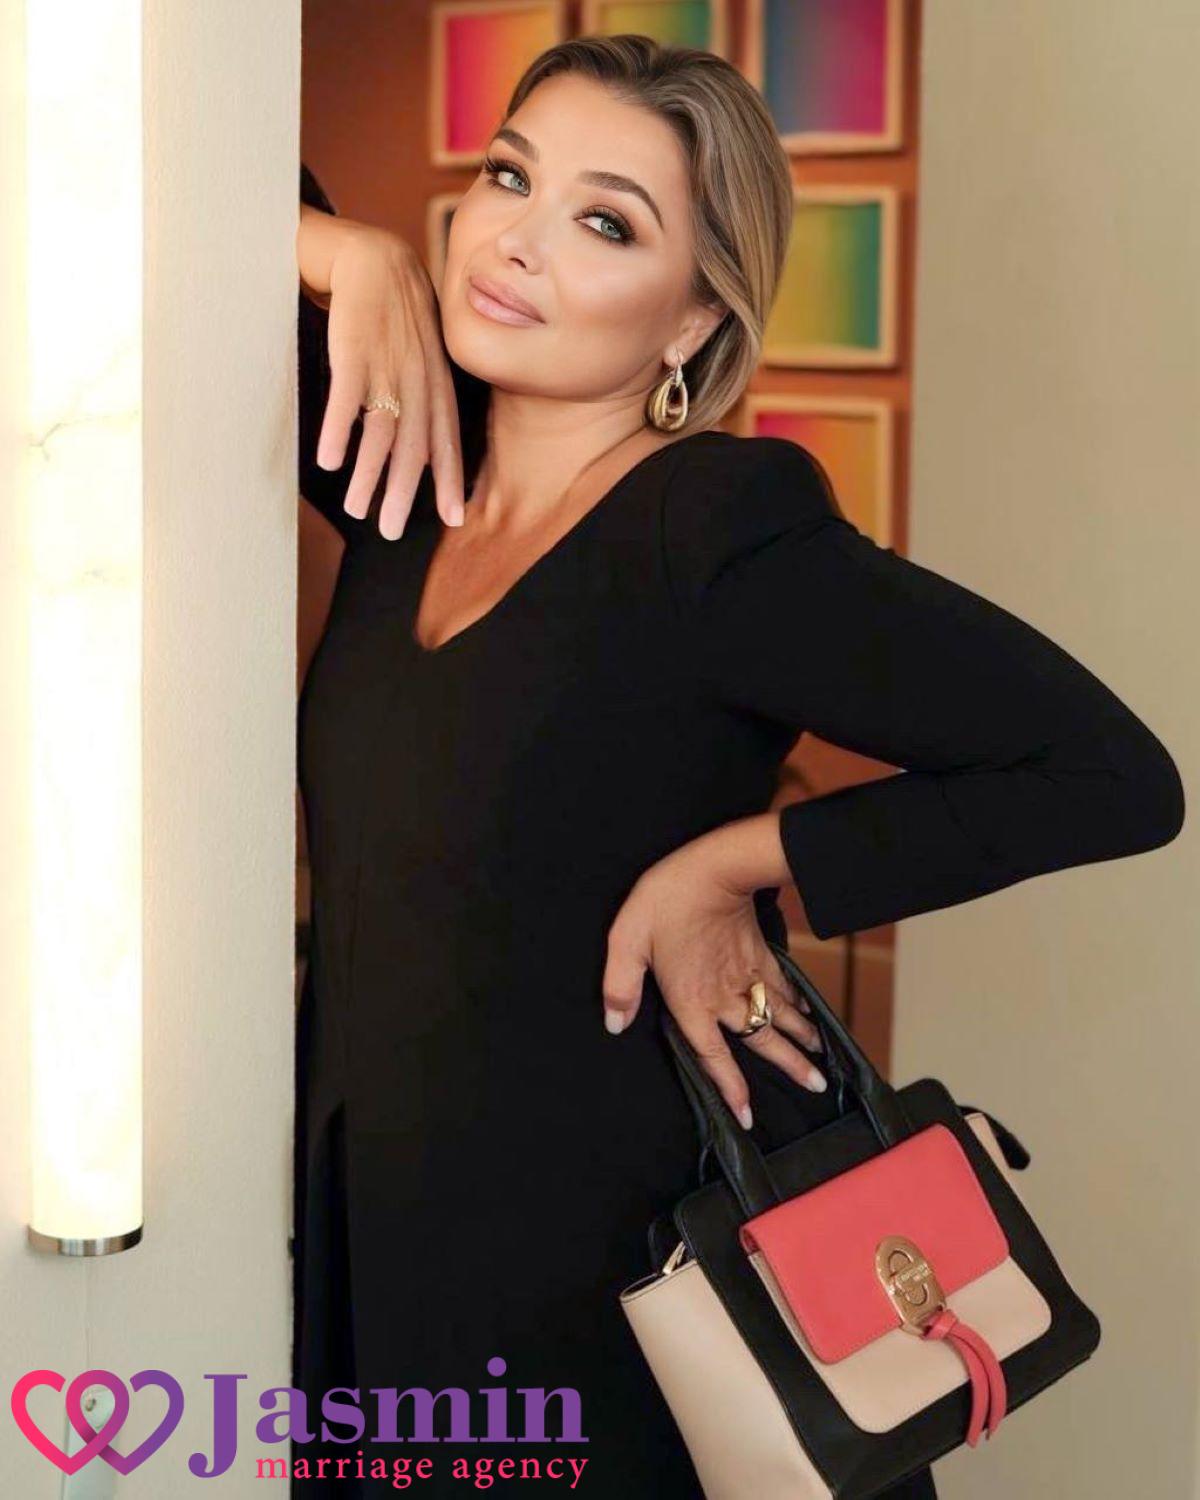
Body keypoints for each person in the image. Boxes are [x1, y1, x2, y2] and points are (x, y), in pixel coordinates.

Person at [291, 36, 1184, 1500]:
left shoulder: (714, 529)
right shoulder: (404, 464)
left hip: (618, 1276)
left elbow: (1112, 773)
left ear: (695, 318)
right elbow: (126, 179)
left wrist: (737, 866)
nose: (515, 239)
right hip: (380, 1239)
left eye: (606, 221)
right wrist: (353, 253)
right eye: (510, 177)